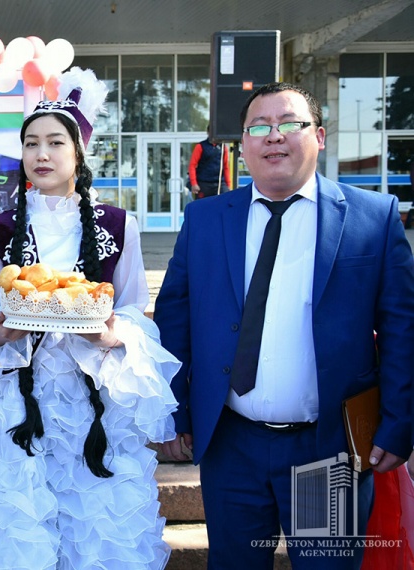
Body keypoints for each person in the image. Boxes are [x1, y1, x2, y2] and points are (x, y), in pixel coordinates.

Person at [155, 82, 414, 568]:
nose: (274, 136)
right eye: (259, 127)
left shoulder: (372, 218)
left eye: (290, 123)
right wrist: (174, 412)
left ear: (319, 136)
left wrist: (399, 423)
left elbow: (402, 330)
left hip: (327, 448)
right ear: (243, 144)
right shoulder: (205, 219)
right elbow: (174, 321)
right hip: (232, 445)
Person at [0, 68, 179, 569]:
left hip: (92, 405)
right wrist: (4, 331)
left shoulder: (118, 225)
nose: (41, 154)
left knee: (93, 534)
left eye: (55, 142)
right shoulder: (1, 228)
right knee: (17, 535)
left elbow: (134, 314)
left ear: (79, 152)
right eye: (31, 144)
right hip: (13, 407)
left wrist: (112, 335)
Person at [188, 125, 231, 198]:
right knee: (203, 204)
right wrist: (194, 183)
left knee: (225, 202)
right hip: (204, 183)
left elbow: (225, 166)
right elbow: (192, 165)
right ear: (208, 132)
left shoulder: (223, 147)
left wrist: (228, 185)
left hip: (220, 183)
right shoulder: (200, 146)